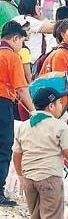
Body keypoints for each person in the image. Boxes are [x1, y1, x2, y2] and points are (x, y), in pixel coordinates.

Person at [12, 86, 68, 219]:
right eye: (59, 103)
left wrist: (20, 176)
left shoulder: (24, 126)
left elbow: (17, 155)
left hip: (29, 180)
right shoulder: (60, 126)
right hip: (50, 179)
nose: (62, 106)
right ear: (51, 106)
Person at [0, 20, 35, 206]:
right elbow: (22, 89)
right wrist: (33, 111)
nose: (21, 45)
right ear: (15, 38)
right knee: (3, 147)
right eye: (21, 41)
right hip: (2, 104)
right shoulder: (12, 57)